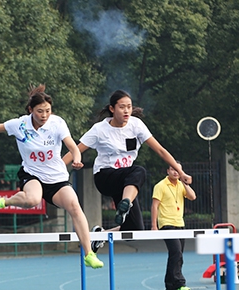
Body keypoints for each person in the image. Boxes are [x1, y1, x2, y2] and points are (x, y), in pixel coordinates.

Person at [0, 85, 104, 269]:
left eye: (48, 111)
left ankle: (89, 254)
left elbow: (73, 146)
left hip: (56, 178)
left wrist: (76, 158)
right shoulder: (19, 125)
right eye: (40, 111)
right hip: (32, 174)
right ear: (30, 110)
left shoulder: (57, 123)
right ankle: (4, 202)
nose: (44, 115)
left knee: (75, 207)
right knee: (32, 200)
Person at [62, 89, 192, 253]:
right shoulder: (99, 129)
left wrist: (181, 173)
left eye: (129, 107)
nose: (126, 111)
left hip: (126, 184)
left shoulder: (136, 125)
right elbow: (75, 149)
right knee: (139, 171)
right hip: (105, 177)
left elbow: (160, 150)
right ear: (112, 109)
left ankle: (101, 235)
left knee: (135, 229)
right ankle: (125, 204)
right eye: (122, 107)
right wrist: (59, 169)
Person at [151, 163, 196, 290]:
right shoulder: (160, 186)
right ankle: (179, 283)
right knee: (176, 252)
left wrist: (185, 183)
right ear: (168, 171)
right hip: (167, 224)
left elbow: (192, 197)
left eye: (178, 170)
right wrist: (154, 226)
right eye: (173, 169)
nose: (175, 172)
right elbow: (154, 206)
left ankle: (169, 284)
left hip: (179, 223)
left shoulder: (181, 185)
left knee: (176, 254)